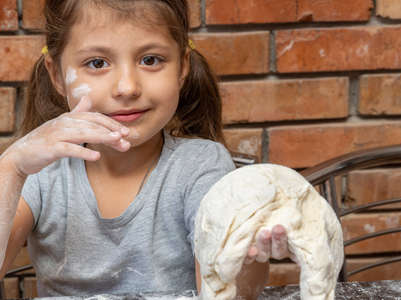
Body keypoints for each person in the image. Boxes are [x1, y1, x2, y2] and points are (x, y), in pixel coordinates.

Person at [0, 1, 295, 299]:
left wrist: (248, 253)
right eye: (97, 63)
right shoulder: (41, 172)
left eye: (150, 60)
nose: (127, 88)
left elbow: (228, 291)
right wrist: (12, 166)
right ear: (58, 76)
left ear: (182, 67)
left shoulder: (200, 165)